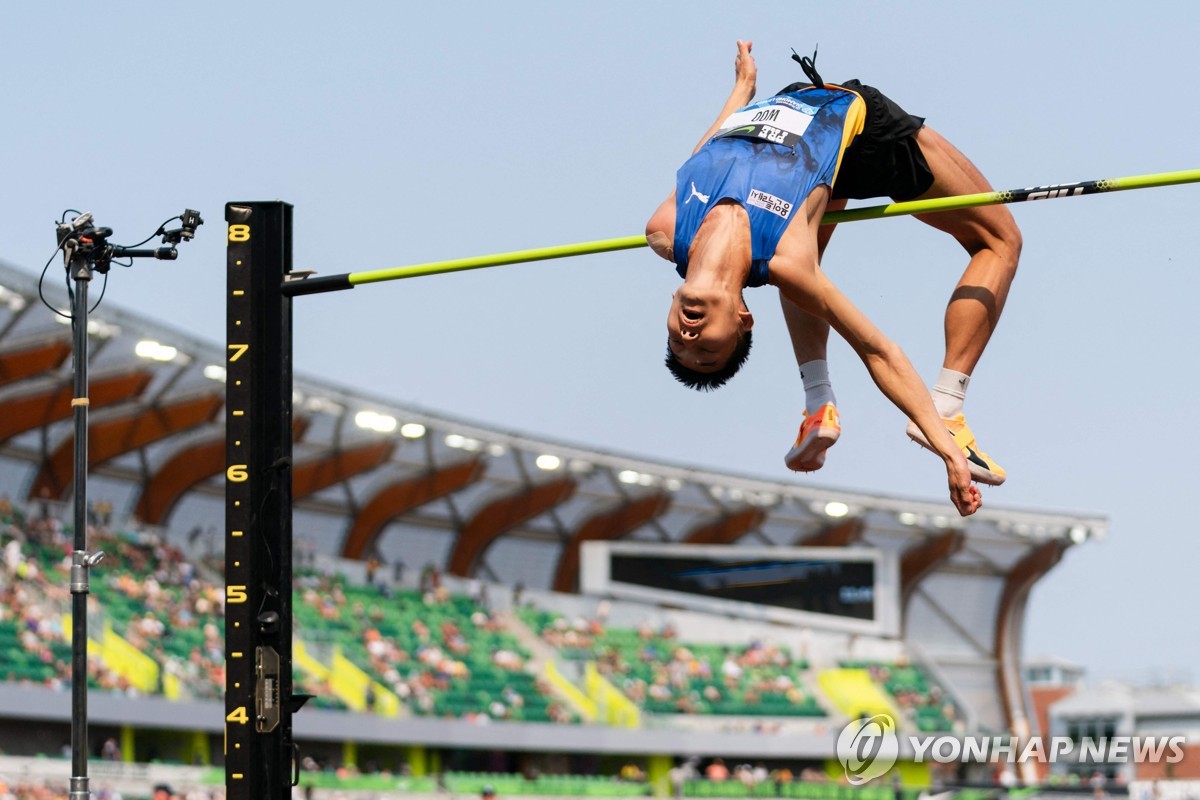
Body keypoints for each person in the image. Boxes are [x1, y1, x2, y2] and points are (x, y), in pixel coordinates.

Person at [645, 41, 981, 516]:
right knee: (999, 237)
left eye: (679, 345)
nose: (689, 338)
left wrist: (741, 90)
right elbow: (878, 350)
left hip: (786, 99)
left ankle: (817, 404)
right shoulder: (786, 259)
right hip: (859, 120)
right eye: (707, 350)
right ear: (744, 319)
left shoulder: (665, 229)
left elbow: (706, 154)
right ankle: (944, 408)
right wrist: (946, 449)